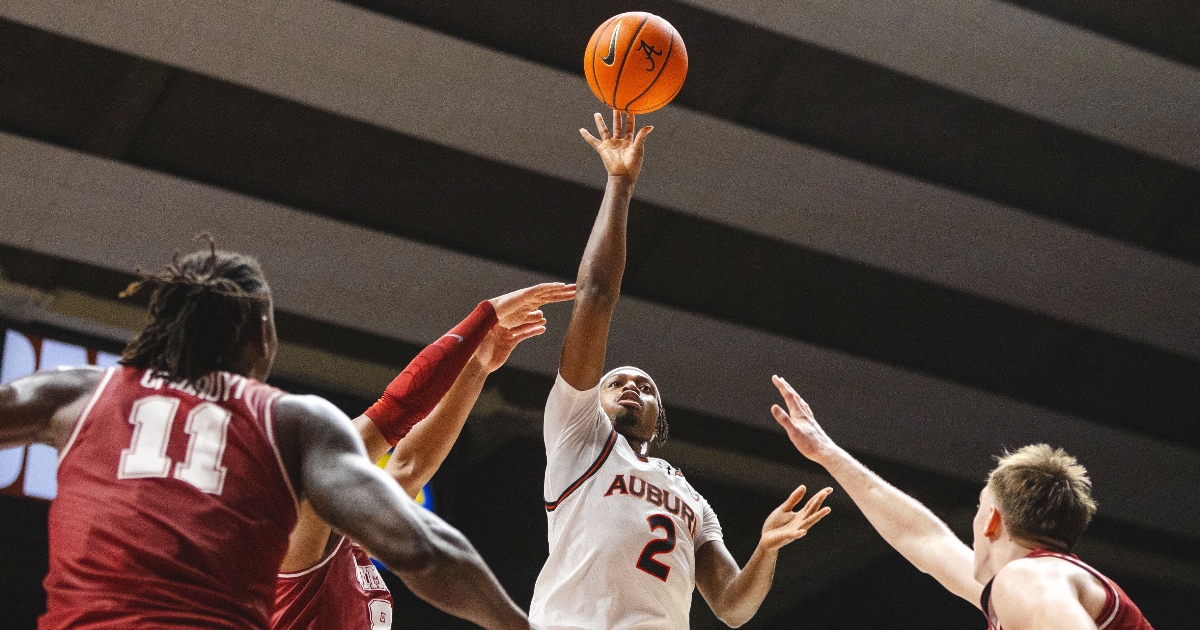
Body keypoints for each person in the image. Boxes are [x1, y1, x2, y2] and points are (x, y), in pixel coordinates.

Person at [0, 242, 538, 630]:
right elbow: (420, 545)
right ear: (261, 334)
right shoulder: (286, 423)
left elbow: (405, 462)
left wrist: (475, 348)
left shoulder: (75, 392)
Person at [527, 112, 833, 630]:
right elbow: (596, 296)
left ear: (658, 418)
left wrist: (767, 546)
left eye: (644, 387)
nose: (630, 387)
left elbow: (733, 607)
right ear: (590, 403)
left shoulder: (690, 499)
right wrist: (620, 184)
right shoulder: (576, 438)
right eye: (615, 381)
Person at [273, 282, 573, 630]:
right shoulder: (295, 540)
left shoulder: (339, 546)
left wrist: (477, 366)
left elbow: (408, 466)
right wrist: (482, 317)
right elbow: (393, 412)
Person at [769, 375, 1154, 630]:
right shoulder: (1023, 586)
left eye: (978, 507)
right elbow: (922, 538)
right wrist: (827, 453)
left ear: (991, 521)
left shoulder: (1028, 578)